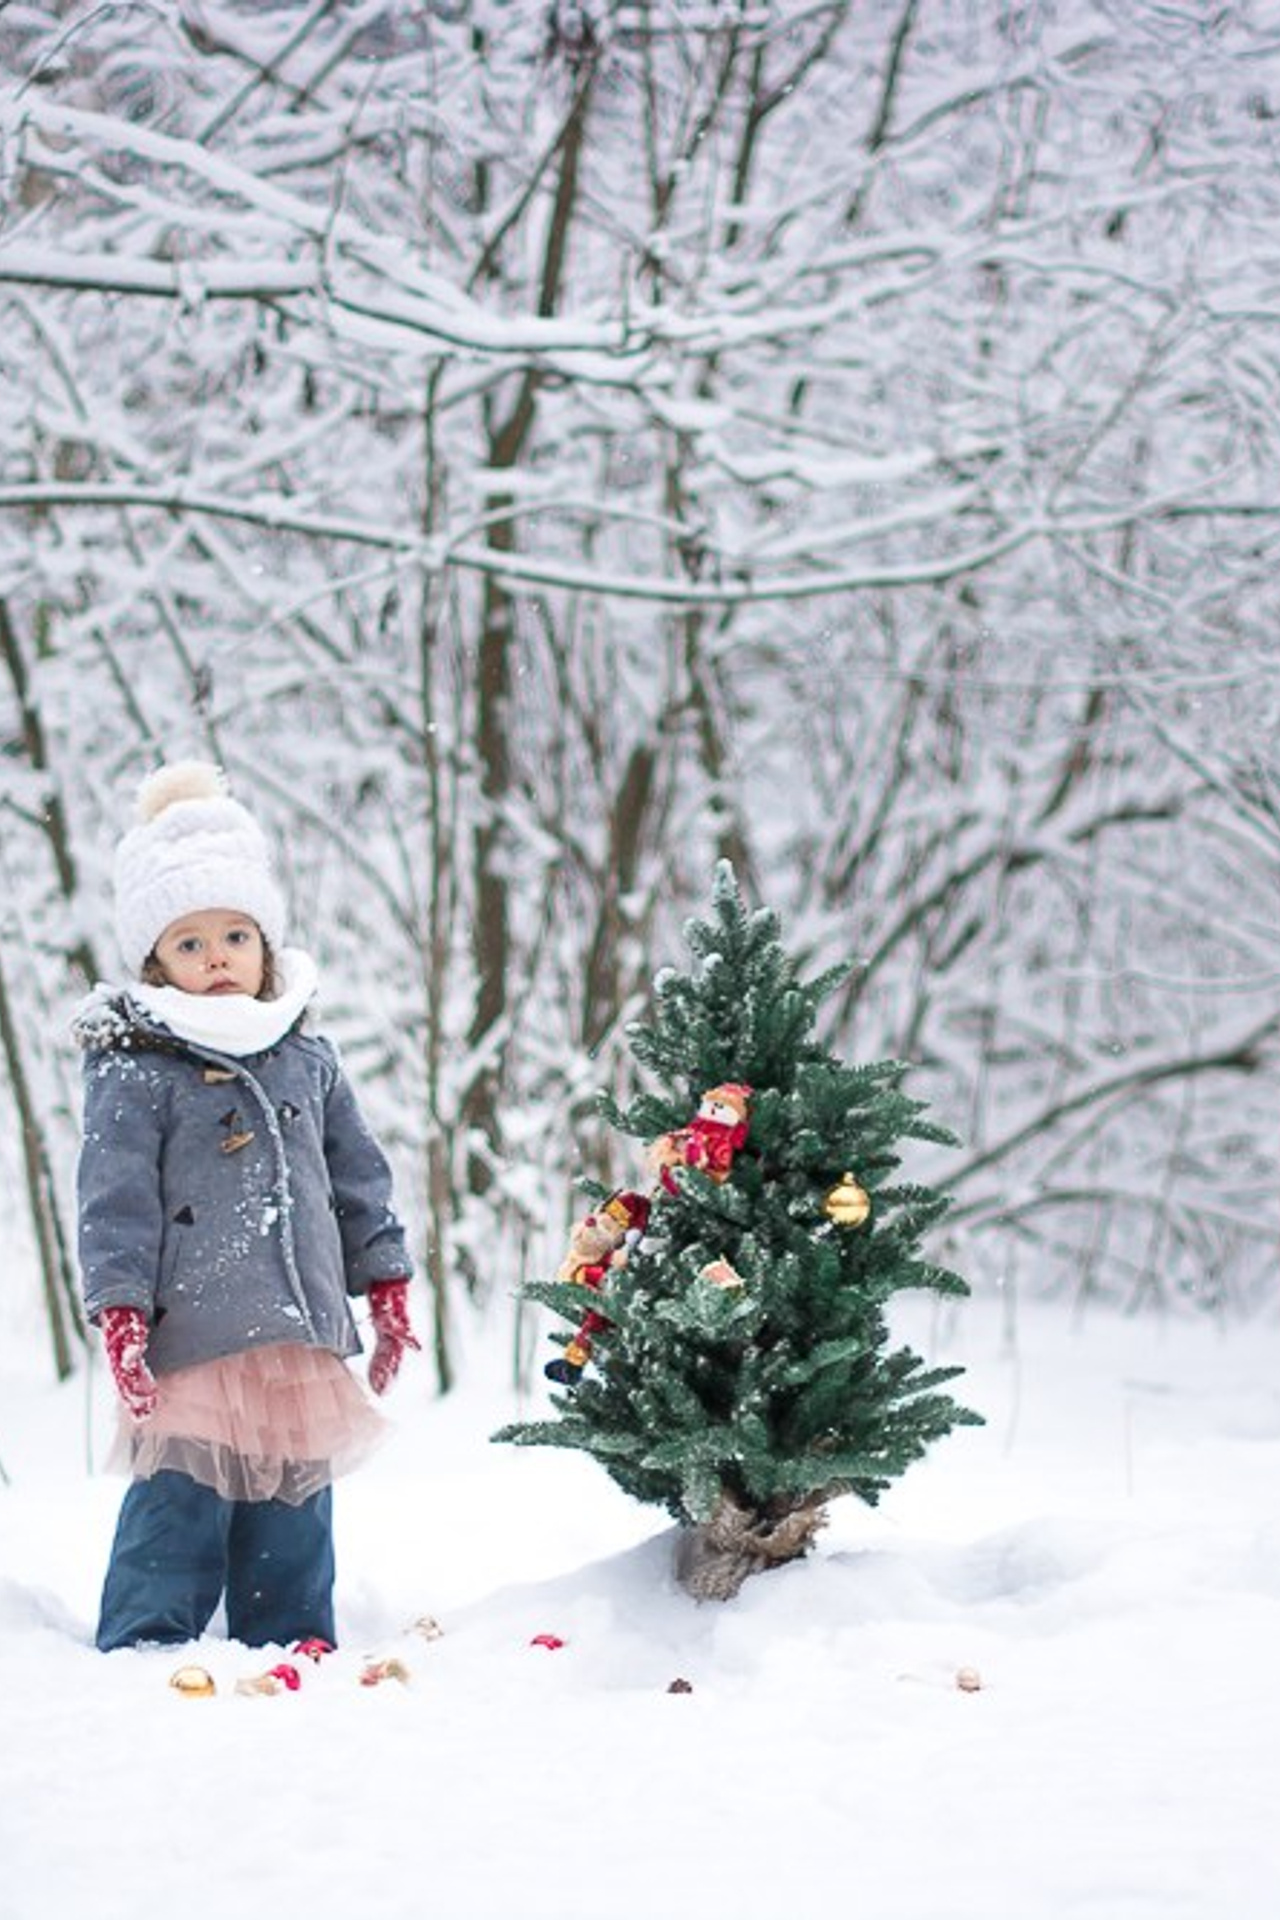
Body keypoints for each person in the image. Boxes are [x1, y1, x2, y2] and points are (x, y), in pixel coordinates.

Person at [76, 759, 420, 1653]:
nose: (218, 957)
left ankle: (291, 1635)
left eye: (235, 935)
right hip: (190, 1334)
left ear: (265, 945)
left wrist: (385, 1285)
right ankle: (147, 1639)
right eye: (189, 944)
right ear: (156, 961)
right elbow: (113, 1201)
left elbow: (358, 1179)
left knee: (293, 1501)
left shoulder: (306, 1056)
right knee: (180, 1499)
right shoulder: (138, 1067)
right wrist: (120, 1311)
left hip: (297, 1331)